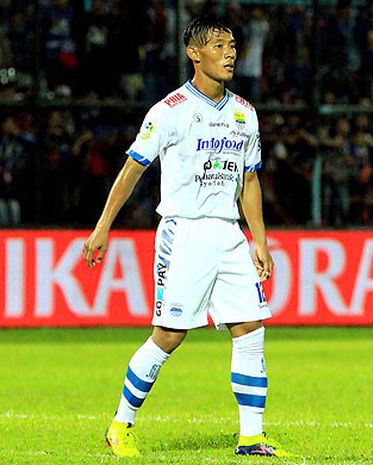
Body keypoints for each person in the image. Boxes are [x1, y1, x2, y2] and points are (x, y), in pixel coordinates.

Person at [83, 15, 290, 458]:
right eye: (218, 45)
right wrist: (102, 227)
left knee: (251, 329)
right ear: (194, 53)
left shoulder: (245, 114)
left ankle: (251, 438)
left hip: (229, 236)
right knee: (169, 335)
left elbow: (249, 181)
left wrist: (259, 239)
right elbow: (132, 171)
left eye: (232, 45)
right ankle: (120, 424)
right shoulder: (169, 111)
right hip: (185, 233)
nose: (230, 52)